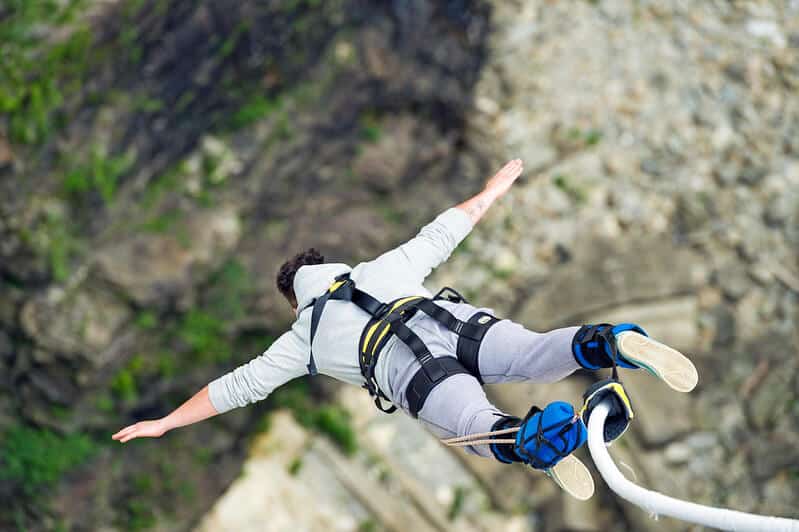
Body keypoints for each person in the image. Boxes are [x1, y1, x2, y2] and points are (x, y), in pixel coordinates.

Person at [113, 159, 697, 498]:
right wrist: (493, 190)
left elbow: (236, 387)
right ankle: (608, 343)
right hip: (459, 324)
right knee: (537, 353)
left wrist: (165, 422)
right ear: (332, 266)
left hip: (415, 372)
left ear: (296, 300)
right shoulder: (380, 268)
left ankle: (535, 441)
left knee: (478, 425)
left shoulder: (303, 340)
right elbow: (445, 230)